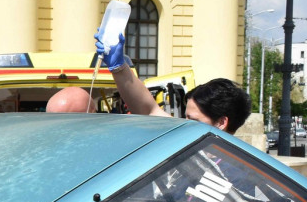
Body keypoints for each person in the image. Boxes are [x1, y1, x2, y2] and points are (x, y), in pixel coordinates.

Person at [96, 34, 251, 133]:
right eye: (186, 118)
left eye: (194, 120)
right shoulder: (186, 142)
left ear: (221, 123)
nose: (185, 124)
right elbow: (149, 110)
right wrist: (119, 68)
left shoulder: (235, 173)